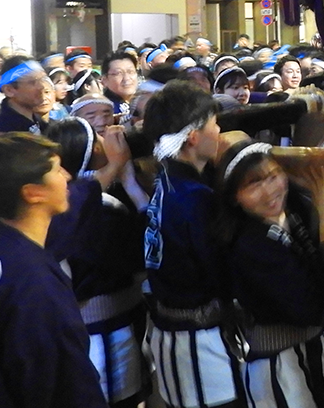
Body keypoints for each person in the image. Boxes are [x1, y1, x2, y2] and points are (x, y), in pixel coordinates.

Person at [0, 133, 108, 407]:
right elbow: (64, 385)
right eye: (56, 169)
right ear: (32, 192)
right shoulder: (33, 282)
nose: (67, 176)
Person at [214, 144, 324, 408]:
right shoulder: (249, 246)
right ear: (235, 197)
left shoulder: (295, 215)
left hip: (316, 355)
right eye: (254, 184)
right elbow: (312, 308)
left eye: (274, 175)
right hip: (283, 370)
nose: (269, 190)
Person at [141, 81, 243, 408]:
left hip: (171, 335)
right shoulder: (196, 198)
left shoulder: (166, 180)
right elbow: (219, 272)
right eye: (215, 124)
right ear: (194, 137)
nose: (220, 131)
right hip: (201, 346)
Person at [45, 117, 145, 408]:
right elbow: (140, 259)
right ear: (94, 150)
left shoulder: (55, 205)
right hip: (106, 330)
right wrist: (133, 187)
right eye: (99, 137)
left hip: (81, 328)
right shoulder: (100, 211)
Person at [0, 58, 48, 135]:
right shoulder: (4, 134)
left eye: (42, 80)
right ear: (9, 90)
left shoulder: (39, 122)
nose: (41, 87)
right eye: (32, 82)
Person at [102, 53, 139, 122]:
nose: (126, 78)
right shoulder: (103, 108)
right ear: (105, 80)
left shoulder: (141, 103)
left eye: (130, 72)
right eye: (118, 73)